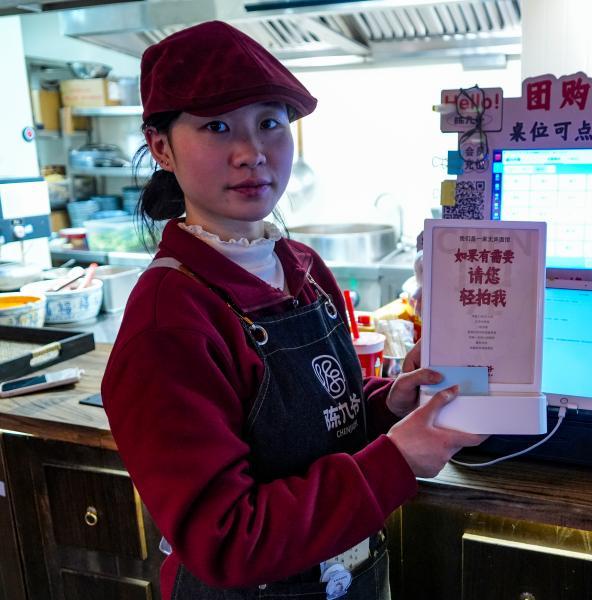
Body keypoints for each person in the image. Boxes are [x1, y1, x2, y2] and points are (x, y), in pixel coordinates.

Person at [101, 21, 486, 600]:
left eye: (270, 123)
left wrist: (387, 406)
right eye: (216, 126)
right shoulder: (169, 320)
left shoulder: (302, 267)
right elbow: (225, 540)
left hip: (350, 574)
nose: (251, 153)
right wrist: (397, 460)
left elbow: (319, 423)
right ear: (161, 147)